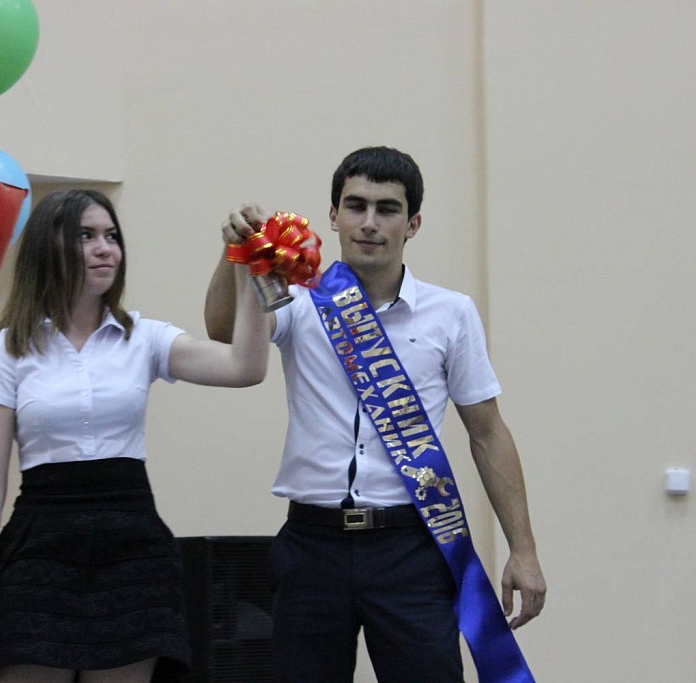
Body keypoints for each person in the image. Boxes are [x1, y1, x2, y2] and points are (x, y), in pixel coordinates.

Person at [204, 146, 546, 682]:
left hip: (410, 545)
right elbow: (223, 334)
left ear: (412, 224)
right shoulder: (298, 301)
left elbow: (488, 433)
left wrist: (523, 550)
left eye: (387, 209)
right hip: (312, 545)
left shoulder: (450, 313)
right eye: (356, 205)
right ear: (333, 215)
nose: (369, 222)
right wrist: (235, 254)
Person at [0, 189, 269, 683]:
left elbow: (244, 367)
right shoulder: (10, 348)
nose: (106, 249)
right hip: (40, 547)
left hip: (132, 546)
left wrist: (249, 265)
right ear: (49, 248)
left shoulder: (143, 337)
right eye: (86, 236)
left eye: (111, 236)